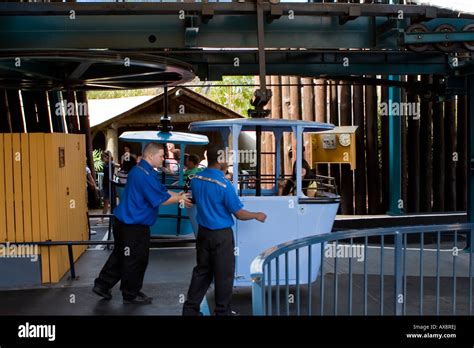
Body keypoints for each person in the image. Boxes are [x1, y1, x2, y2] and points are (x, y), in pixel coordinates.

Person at [92, 142, 193, 304]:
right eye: (161, 156)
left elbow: (161, 190)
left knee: (121, 255)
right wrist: (180, 198)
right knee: (136, 259)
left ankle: (102, 285)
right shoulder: (144, 175)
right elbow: (161, 199)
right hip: (133, 226)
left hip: (124, 222)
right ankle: (130, 293)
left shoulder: (141, 171)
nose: (163, 159)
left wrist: (178, 194)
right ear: (150, 156)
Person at [182, 146, 267, 316]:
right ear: (220, 161)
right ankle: (222, 311)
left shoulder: (196, 179)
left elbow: (194, 200)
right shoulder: (225, 185)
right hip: (221, 236)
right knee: (224, 274)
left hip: (203, 233)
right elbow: (239, 214)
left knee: (202, 271)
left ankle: (190, 309)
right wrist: (257, 215)